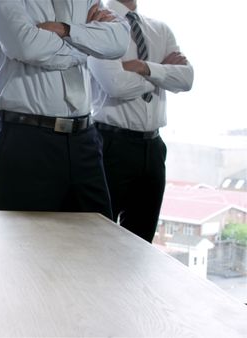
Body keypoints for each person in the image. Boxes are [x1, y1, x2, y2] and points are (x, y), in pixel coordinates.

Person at [0, 0, 130, 216]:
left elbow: (119, 41)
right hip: (26, 142)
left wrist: (63, 30)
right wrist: (86, 46)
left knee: (98, 241)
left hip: (84, 141)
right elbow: (25, 46)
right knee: (22, 244)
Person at [87, 0, 194, 242]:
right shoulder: (99, 23)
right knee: (98, 240)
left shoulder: (161, 29)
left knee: (141, 246)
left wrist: (142, 66)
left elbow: (187, 79)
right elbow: (115, 85)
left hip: (153, 148)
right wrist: (162, 72)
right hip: (110, 144)